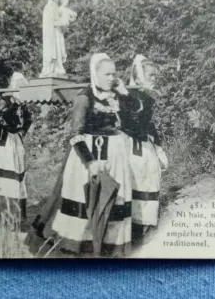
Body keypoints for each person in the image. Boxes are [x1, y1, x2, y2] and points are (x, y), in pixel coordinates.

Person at [26, 53, 142, 257]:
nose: (111, 78)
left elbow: (136, 114)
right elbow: (75, 135)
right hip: (88, 156)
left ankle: (109, 243)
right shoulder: (84, 98)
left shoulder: (116, 95)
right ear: (94, 74)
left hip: (115, 155)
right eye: (106, 74)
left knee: (113, 200)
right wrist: (90, 162)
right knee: (85, 201)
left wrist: (125, 94)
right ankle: (82, 245)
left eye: (113, 74)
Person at [120, 55, 169, 244]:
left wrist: (158, 146)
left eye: (155, 76)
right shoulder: (126, 96)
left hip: (142, 143)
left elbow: (148, 125)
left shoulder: (147, 98)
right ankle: (132, 224)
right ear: (138, 76)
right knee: (134, 179)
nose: (154, 79)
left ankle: (144, 222)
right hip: (128, 144)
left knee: (148, 178)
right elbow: (128, 123)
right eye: (151, 75)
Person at [0, 72, 33, 230]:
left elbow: (28, 119)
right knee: (0, 178)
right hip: (0, 141)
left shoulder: (22, 104)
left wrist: (21, 130)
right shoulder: (6, 100)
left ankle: (12, 216)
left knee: (14, 178)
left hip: (13, 142)